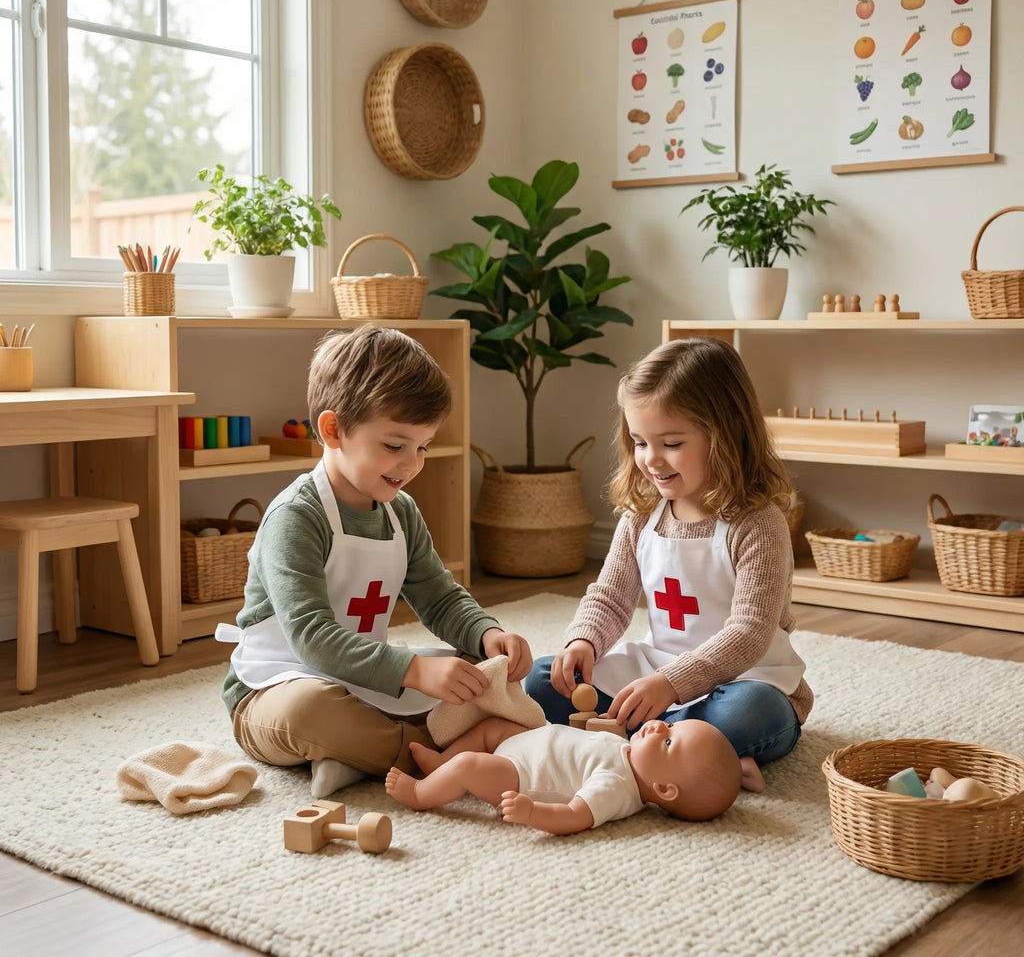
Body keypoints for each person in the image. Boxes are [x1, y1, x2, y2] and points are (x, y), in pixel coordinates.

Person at [216, 326, 532, 798]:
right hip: (273, 690)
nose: (411, 464)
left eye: (422, 447)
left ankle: (360, 757)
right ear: (333, 429)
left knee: (477, 672)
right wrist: (413, 672)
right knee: (310, 711)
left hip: (360, 677)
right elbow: (313, 639)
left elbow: (439, 596)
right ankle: (449, 756)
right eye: (394, 445)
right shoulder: (295, 518)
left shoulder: (399, 511)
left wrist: (487, 634)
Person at [524, 336, 813, 766]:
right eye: (640, 443)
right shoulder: (642, 513)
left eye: (671, 444)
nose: (652, 460)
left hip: (744, 678)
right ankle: (684, 752)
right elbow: (610, 596)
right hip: (658, 668)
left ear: (726, 435)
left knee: (753, 715)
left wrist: (671, 685)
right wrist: (583, 641)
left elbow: (749, 632)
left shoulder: (757, 522)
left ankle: (642, 739)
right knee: (541, 681)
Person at [385, 715, 764, 835]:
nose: (659, 728)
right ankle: (441, 764)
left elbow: (574, 816)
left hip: (519, 775)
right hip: (526, 743)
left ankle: (421, 793)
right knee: (491, 726)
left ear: (664, 788)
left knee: (470, 766)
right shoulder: (629, 752)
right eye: (671, 726)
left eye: (668, 744)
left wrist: (531, 812)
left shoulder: (616, 788)